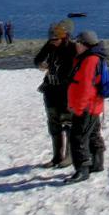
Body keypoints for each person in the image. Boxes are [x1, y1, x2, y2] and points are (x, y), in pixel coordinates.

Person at [65, 30, 108, 184]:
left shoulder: (90, 60)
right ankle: (97, 164)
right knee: (93, 134)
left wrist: (79, 107)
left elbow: (85, 87)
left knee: (78, 137)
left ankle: (82, 169)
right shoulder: (92, 58)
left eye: (78, 43)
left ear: (85, 44)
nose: (76, 45)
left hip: (86, 106)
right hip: (93, 105)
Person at [34, 20, 78, 167]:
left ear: (64, 37)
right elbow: (37, 59)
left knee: (68, 123)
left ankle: (69, 156)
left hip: (66, 91)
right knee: (54, 124)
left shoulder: (72, 48)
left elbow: (75, 71)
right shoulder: (49, 45)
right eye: (51, 39)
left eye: (56, 40)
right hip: (50, 89)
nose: (53, 42)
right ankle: (57, 156)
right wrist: (40, 64)